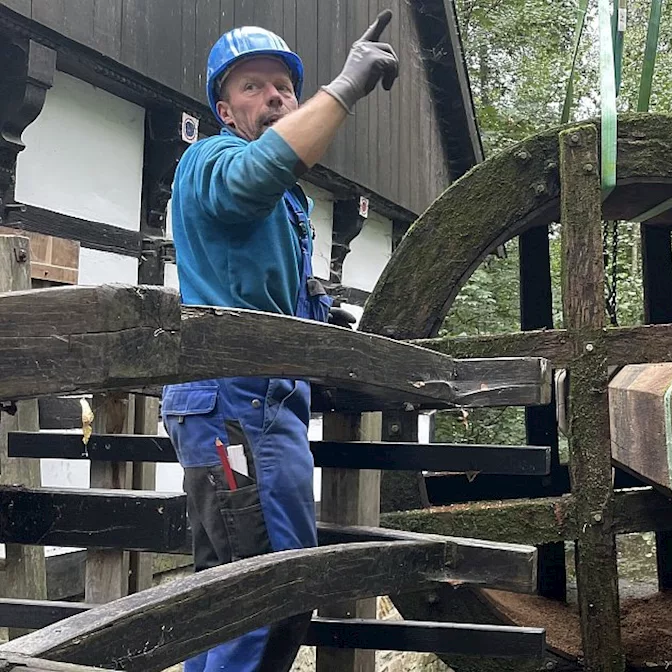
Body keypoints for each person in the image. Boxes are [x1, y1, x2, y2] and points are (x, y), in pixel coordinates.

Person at [160, 11, 398, 672]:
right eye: (252, 87)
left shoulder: (286, 200)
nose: (272, 97)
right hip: (236, 413)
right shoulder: (213, 159)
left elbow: (266, 290)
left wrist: (324, 337)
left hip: (261, 407)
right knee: (272, 594)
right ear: (224, 110)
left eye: (283, 89)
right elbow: (248, 182)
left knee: (227, 594)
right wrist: (345, 88)